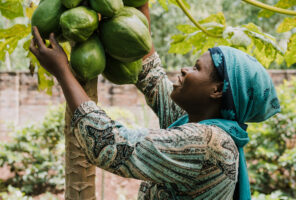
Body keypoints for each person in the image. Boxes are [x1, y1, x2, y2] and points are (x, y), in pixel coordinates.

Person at [29, 2, 280, 200]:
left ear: (217, 90)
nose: (183, 70)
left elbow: (108, 145)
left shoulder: (209, 143)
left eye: (196, 68)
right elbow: (150, 72)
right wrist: (139, 6)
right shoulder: (190, 120)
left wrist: (62, 70)